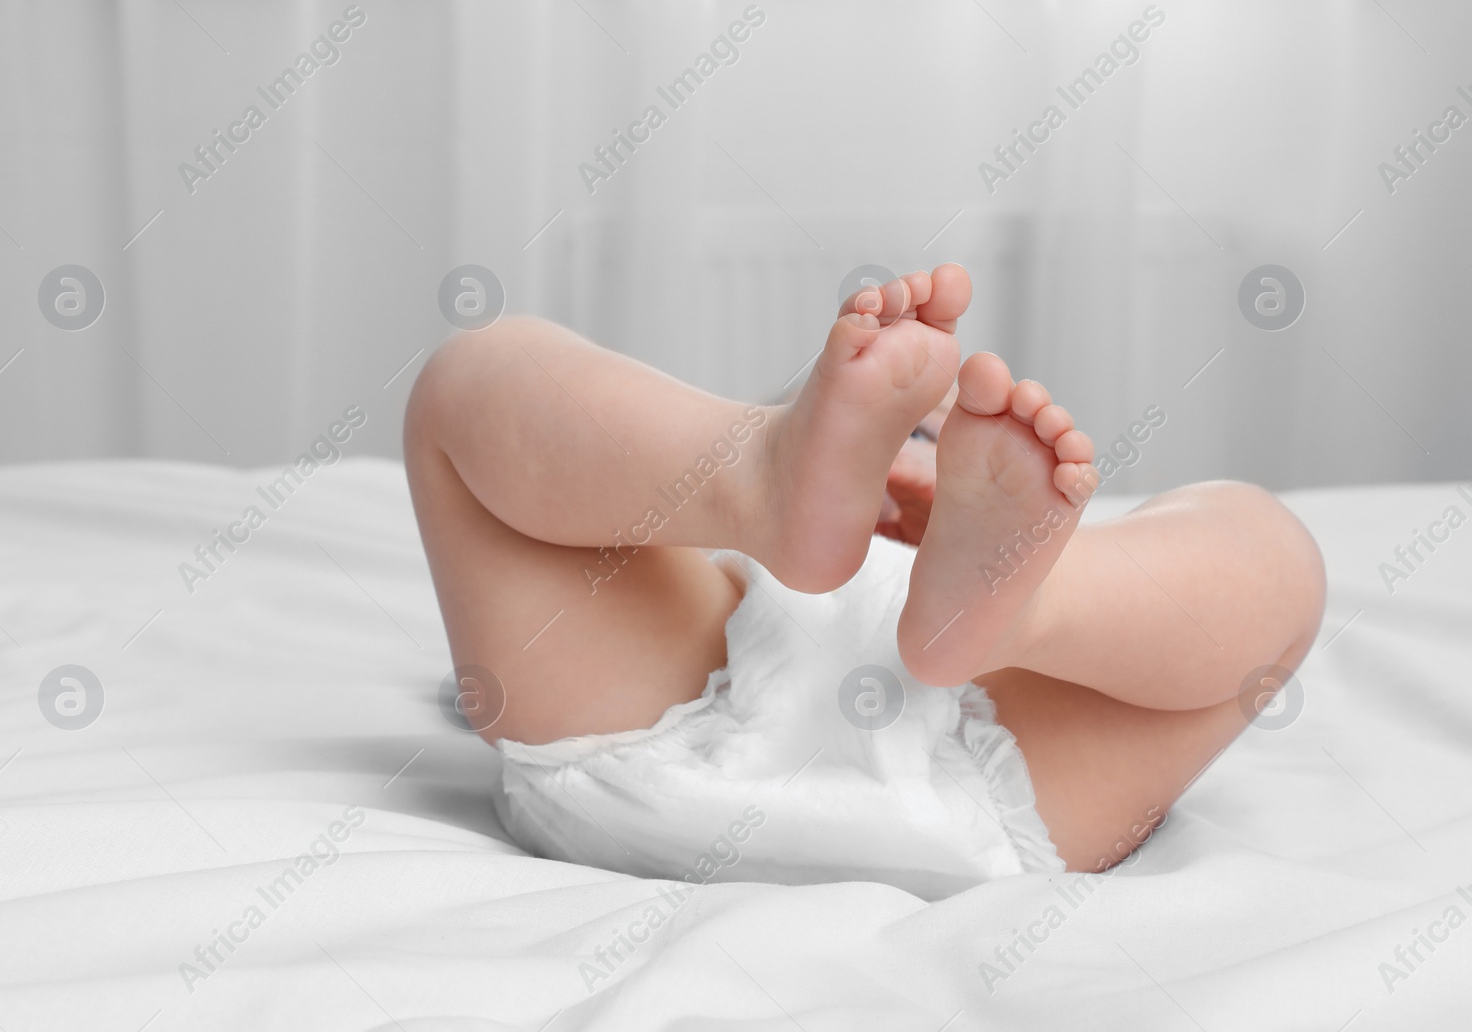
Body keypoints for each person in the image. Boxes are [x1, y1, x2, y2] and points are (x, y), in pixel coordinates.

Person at [404, 263, 1325, 895]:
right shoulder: (693, 563)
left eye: (929, 441)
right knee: (475, 377)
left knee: (1271, 552)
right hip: (955, 806)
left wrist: (1015, 594)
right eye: (890, 433)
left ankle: (1038, 603)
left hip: (948, 702)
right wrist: (713, 509)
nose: (908, 466)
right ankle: (745, 474)